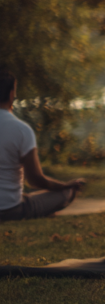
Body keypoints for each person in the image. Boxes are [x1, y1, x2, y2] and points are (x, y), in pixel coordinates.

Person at [0, 69, 86, 222]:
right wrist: (64, 185)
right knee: (66, 193)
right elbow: (35, 180)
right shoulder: (21, 130)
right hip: (10, 210)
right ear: (12, 94)